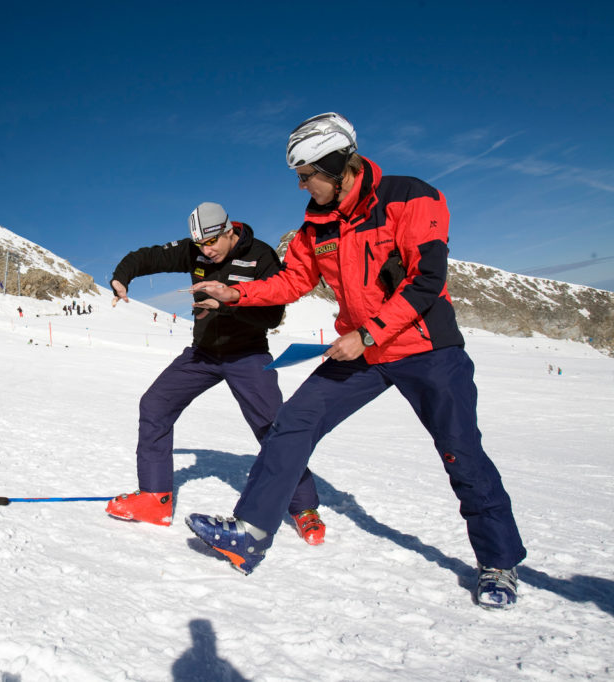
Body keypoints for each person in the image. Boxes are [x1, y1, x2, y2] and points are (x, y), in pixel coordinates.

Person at [187, 113, 525, 609]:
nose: (301, 184)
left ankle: (498, 563)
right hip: (362, 351)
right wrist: (233, 295)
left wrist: (367, 334)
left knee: (461, 452)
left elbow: (426, 281)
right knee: (293, 423)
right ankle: (251, 530)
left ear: (337, 164)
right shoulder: (314, 225)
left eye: (307, 175)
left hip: (425, 347)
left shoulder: (411, 197)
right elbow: (291, 283)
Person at [105, 202, 326, 543]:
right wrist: (122, 276)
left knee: (273, 428)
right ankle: (154, 497)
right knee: (155, 405)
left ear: (228, 231)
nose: (206, 252)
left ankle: (304, 507)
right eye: (200, 247)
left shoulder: (261, 256)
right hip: (203, 354)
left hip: (247, 355)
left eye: (211, 244)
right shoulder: (196, 252)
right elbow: (149, 256)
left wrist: (227, 304)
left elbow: (272, 316)